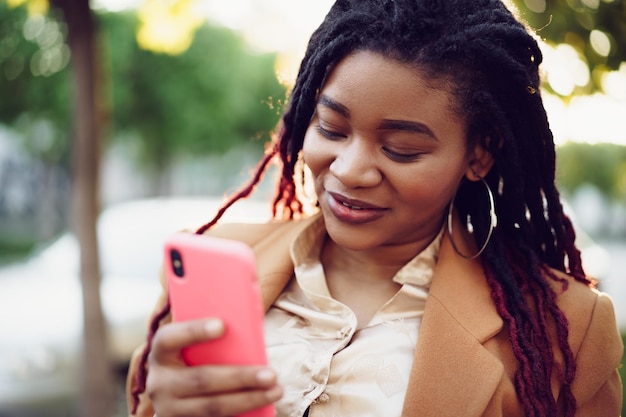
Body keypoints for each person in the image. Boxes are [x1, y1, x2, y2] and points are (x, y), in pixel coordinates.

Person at [126, 0, 624, 416]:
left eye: (401, 149)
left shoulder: (566, 327)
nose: (348, 170)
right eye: (330, 129)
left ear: (479, 154)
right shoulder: (212, 266)